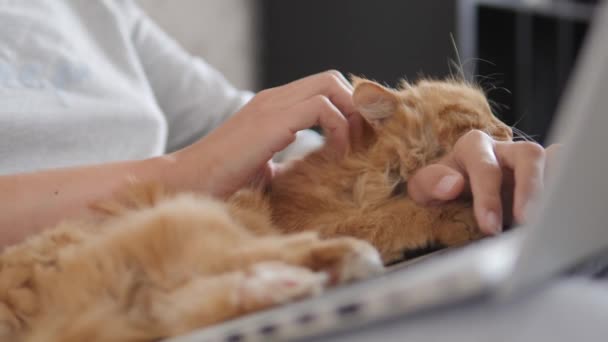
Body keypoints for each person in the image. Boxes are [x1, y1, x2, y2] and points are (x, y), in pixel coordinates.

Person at [0, 0, 557, 249]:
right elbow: (208, 164)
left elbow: (254, 140)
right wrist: (182, 172)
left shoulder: (88, 10)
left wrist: (422, 173)